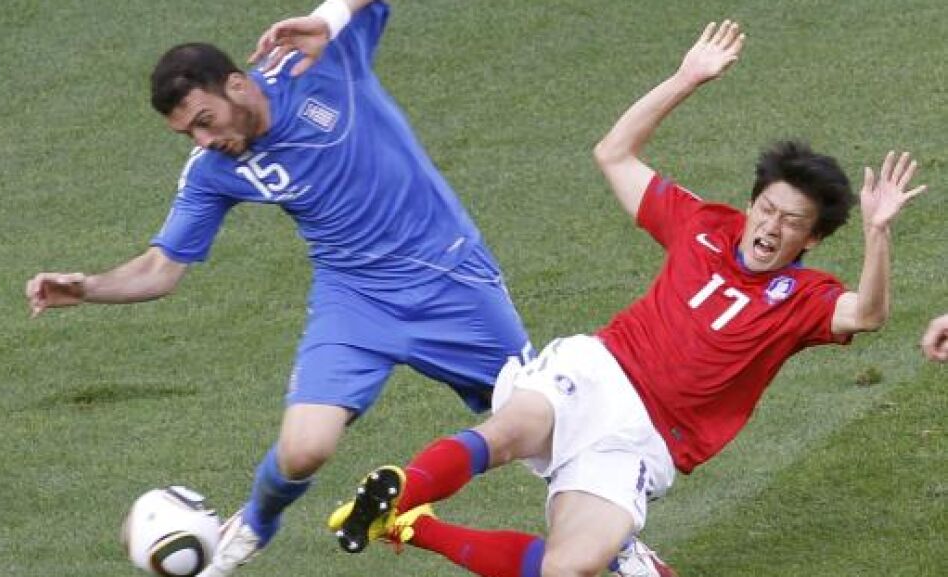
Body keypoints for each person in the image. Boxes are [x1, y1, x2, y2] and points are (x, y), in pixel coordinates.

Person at [327, 20, 930, 577]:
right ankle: (402, 487)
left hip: (646, 439)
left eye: (791, 221)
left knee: (568, 569)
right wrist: (686, 79)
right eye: (767, 209)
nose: (771, 227)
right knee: (510, 430)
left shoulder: (804, 296)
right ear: (751, 205)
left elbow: (869, 314)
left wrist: (877, 233)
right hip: (596, 371)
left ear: (813, 238)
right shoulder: (702, 224)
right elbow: (613, 152)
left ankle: (408, 524)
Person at [24, 2, 541, 576]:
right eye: (188, 132)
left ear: (236, 85)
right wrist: (88, 288)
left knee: (544, 421)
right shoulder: (212, 169)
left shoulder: (319, 63)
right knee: (303, 449)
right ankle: (253, 526)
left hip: (450, 280)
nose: (203, 139)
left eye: (205, 120)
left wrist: (332, 16)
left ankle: (603, 543)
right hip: (353, 300)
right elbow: (160, 269)